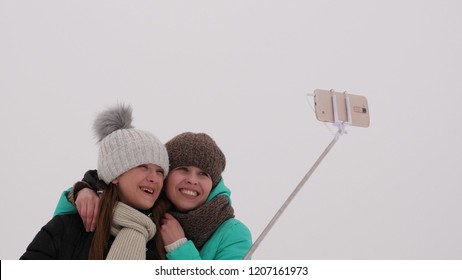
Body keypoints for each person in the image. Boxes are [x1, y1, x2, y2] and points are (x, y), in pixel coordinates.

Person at [54, 132, 252, 260]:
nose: (193, 180)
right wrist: (82, 191)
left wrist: (179, 248)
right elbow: (116, 183)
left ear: (213, 183)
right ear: (166, 176)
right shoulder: (145, 214)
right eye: (183, 169)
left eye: (204, 174)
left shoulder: (233, 233)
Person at [21, 104, 170, 259]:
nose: (154, 178)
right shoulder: (67, 229)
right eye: (142, 166)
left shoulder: (166, 238)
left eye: (160, 171)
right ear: (115, 175)